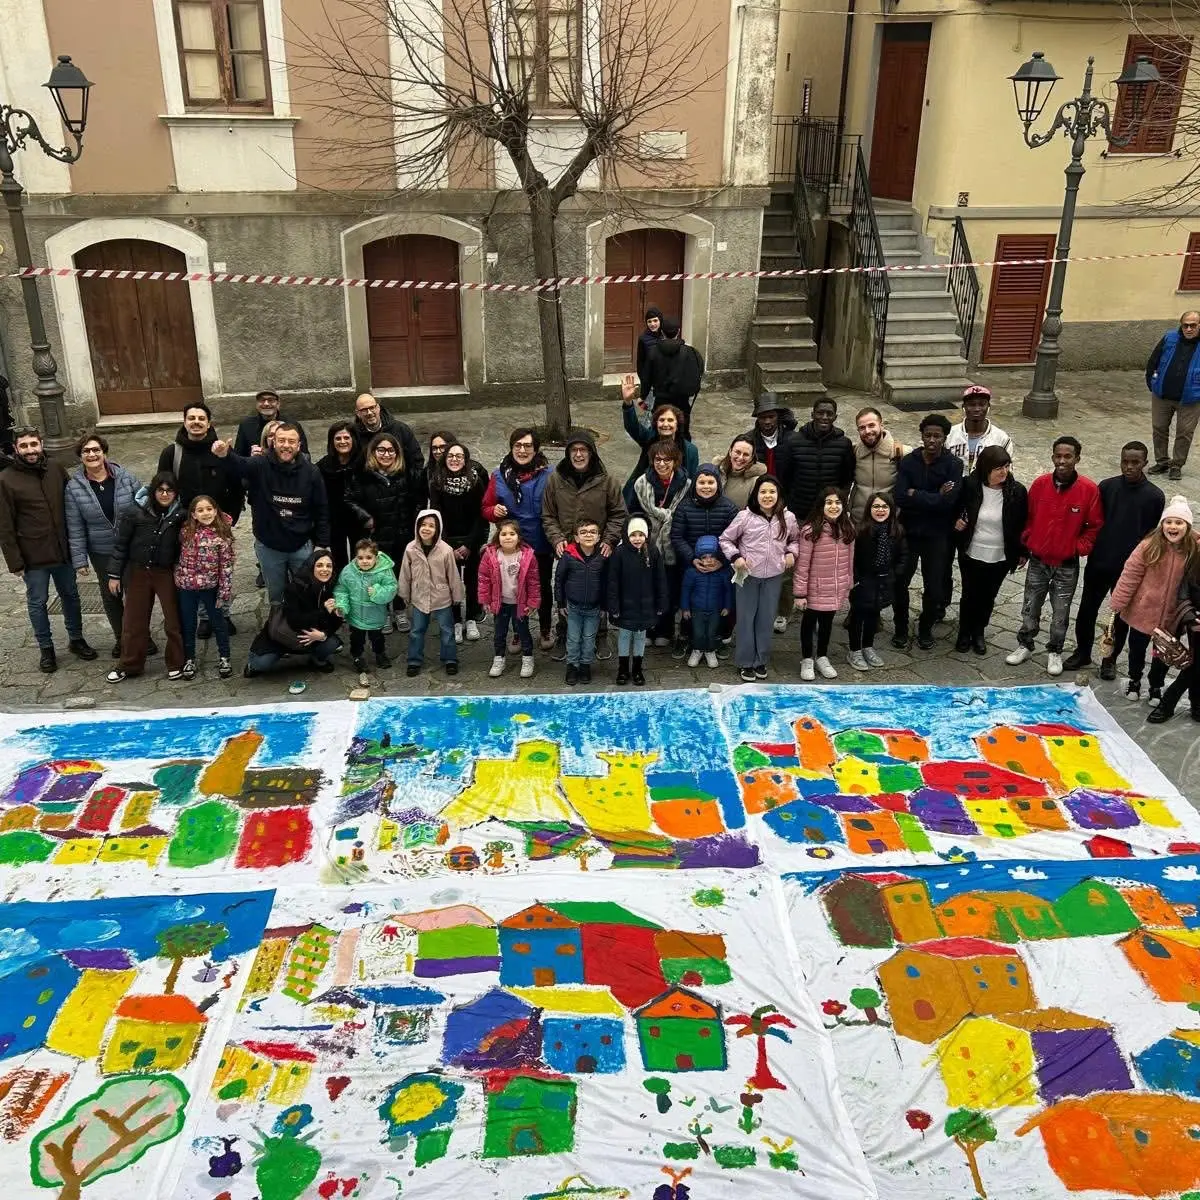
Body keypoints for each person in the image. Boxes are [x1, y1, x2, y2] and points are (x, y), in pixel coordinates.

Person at [1063, 441, 1166, 677]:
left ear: (1145, 464)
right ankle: (1083, 651)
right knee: (1087, 610)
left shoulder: (1154, 496)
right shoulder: (1107, 487)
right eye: (1125, 462)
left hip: (1129, 569)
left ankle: (1110, 659)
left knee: (1120, 617)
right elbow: (1094, 522)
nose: (1128, 467)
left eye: (1135, 463)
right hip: (1100, 561)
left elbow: (1150, 535)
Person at [0, 426, 97, 672]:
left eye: (34, 444)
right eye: (24, 446)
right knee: (37, 602)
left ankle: (76, 639)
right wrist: (15, 562)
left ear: (41, 444)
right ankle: (46, 648)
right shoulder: (6, 479)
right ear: (16, 449)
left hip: (62, 551)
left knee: (71, 596)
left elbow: (72, 504)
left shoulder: (55, 468)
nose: (30, 450)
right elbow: (5, 525)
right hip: (33, 557)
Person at [1006, 436, 1103, 676]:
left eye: (1067, 456)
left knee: (1061, 612)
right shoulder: (1039, 485)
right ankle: (1025, 644)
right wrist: (1029, 539)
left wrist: (1077, 548)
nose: (1062, 461)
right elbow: (1028, 517)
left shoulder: (1089, 490)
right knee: (1030, 606)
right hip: (1038, 560)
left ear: (1077, 459)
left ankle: (1055, 650)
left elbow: (1094, 527)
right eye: (1058, 456)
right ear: (1052, 457)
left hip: (1066, 565)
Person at [213, 423, 331, 605]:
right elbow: (240, 466)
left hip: (301, 545)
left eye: (291, 441)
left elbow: (321, 508)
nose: (286, 445)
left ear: (299, 445)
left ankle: (303, 630)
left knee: (306, 593)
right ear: (273, 443)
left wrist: (322, 543)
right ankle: (277, 629)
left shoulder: (311, 472)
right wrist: (224, 455)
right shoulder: (260, 464)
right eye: (281, 440)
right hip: (269, 547)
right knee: (276, 597)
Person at [1110, 496, 1198, 700]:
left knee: (1162, 656)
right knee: (1137, 649)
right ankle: (1134, 680)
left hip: (1171, 617)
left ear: (1187, 526)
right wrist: (1118, 602)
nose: (1173, 526)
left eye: (1179, 522)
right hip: (1142, 611)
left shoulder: (1193, 550)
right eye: (1169, 522)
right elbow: (1130, 575)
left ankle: (1155, 686)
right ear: (1162, 525)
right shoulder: (1148, 546)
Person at [65, 432, 141, 658]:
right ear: (81, 457)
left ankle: (140, 636)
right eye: (86, 451)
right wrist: (80, 561)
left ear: (104, 453)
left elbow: (144, 508)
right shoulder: (74, 488)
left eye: (96, 450)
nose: (92, 454)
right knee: (111, 596)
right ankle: (122, 639)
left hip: (130, 549)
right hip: (102, 552)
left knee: (136, 595)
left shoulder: (125, 477)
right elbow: (75, 526)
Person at [105, 472, 186, 683]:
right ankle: (129, 664)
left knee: (173, 620)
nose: (165, 494)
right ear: (153, 491)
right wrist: (115, 575)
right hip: (138, 571)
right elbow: (121, 545)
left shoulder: (180, 515)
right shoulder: (134, 512)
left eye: (170, 490)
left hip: (166, 572)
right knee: (133, 621)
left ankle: (176, 662)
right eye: (161, 490)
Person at [720, 475, 801, 683]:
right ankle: (745, 662)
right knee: (746, 619)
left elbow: (795, 539)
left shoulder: (788, 517)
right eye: (763, 492)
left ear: (778, 494)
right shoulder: (744, 517)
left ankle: (761, 660)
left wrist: (791, 552)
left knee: (765, 619)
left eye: (772, 492)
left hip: (774, 575)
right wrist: (736, 557)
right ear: (756, 495)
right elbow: (726, 539)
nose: (767, 496)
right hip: (748, 576)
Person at [893, 414, 964, 650]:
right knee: (900, 581)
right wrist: (935, 496)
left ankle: (925, 628)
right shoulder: (909, 461)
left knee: (934, 587)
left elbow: (949, 502)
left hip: (938, 534)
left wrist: (917, 494)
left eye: (937, 436)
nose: (932, 440)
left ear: (944, 438)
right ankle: (901, 627)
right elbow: (900, 495)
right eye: (928, 435)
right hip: (909, 531)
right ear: (921, 436)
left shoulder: (953, 465)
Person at [482, 428, 555, 648]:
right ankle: (518, 631)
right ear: (512, 447)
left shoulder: (549, 474)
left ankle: (544, 628)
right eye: (518, 446)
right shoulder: (499, 475)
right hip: (512, 544)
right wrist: (493, 511)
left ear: (536, 449)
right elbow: (486, 506)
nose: (522, 450)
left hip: (541, 541)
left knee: (542, 585)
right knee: (513, 588)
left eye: (527, 446)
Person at [953, 445, 1029, 656]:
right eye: (998, 468)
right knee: (969, 594)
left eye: (1006, 466)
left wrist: (1023, 551)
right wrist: (957, 521)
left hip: (1001, 554)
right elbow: (957, 507)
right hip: (972, 550)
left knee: (988, 595)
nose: (1003, 472)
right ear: (986, 468)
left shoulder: (1017, 491)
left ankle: (979, 632)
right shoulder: (970, 485)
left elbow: (1022, 523)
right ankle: (964, 632)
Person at [344, 431, 418, 628]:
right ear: (373, 452)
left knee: (399, 573)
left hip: (401, 533)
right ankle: (382, 611)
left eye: (391, 450)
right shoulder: (363, 475)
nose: (386, 454)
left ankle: (400, 610)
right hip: (376, 535)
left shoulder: (405, 474)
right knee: (378, 574)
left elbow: (414, 501)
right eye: (381, 450)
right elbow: (349, 499)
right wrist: (365, 517)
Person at [244, 550, 344, 676]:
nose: (325, 569)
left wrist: (323, 635)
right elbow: (296, 621)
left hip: (312, 636)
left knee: (332, 644)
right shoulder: (294, 588)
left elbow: (337, 620)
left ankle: (316, 659)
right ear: (311, 566)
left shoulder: (334, 589)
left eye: (329, 566)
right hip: (284, 635)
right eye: (319, 565)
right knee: (261, 664)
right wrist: (323, 611)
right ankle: (253, 664)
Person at [427, 441, 488, 642]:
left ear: (466, 459)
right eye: (450, 456)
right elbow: (436, 514)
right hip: (447, 540)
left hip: (471, 538)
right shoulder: (436, 481)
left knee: (471, 580)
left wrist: (469, 544)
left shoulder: (475, 481)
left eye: (459, 456)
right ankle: (455, 621)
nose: (454, 459)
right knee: (450, 582)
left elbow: (481, 515)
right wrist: (446, 545)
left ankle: (471, 617)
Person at [632, 439, 690, 650]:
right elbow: (633, 511)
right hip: (646, 543)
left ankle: (665, 629)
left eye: (667, 460)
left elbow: (686, 514)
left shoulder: (687, 485)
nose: (662, 464)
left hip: (672, 545)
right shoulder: (641, 484)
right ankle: (647, 629)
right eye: (658, 459)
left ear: (675, 461)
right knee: (646, 589)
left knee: (668, 589)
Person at [794, 487, 856, 681]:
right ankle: (806, 659)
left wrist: (848, 584)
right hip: (814, 588)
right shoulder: (811, 530)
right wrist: (800, 593)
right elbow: (802, 564)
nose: (833, 506)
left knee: (827, 624)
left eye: (837, 503)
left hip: (835, 587)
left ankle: (822, 656)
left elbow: (850, 561)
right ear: (821, 506)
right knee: (809, 623)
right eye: (829, 503)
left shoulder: (848, 529)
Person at [174, 495, 235, 680]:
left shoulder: (223, 535)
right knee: (188, 624)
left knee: (219, 622)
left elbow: (226, 564)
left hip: (211, 586)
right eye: (200, 510)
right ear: (193, 514)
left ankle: (224, 657)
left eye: (209, 509)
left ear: (215, 510)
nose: (205, 513)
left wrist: (224, 589)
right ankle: (189, 658)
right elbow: (177, 556)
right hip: (187, 586)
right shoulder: (185, 532)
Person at [398, 509, 462, 677]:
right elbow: (405, 572)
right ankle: (414, 660)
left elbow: (453, 575)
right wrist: (404, 593)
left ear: (438, 528)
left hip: (442, 598)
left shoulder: (446, 550)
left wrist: (457, 595)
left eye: (431, 526)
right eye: (423, 525)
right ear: (417, 526)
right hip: (419, 597)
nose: (426, 529)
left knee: (447, 630)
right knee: (416, 630)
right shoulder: (410, 549)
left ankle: (450, 659)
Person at [847, 492, 906, 671]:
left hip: (884, 580)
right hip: (863, 580)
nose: (880, 510)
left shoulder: (897, 530)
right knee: (858, 616)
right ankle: (854, 650)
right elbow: (852, 558)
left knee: (874, 615)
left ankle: (868, 646)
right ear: (869, 509)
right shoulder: (860, 530)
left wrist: (894, 574)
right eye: (876, 506)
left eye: (884, 507)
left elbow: (903, 556)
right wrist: (856, 579)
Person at [608, 515, 667, 685]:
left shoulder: (653, 552)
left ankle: (638, 669)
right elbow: (613, 581)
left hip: (646, 605)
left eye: (641, 534)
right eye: (633, 535)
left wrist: (661, 602)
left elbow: (660, 579)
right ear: (627, 535)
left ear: (646, 535)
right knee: (625, 635)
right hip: (625, 605)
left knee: (641, 636)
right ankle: (623, 668)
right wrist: (614, 605)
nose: (637, 538)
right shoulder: (619, 553)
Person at [620, 375, 697, 506]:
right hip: (643, 497)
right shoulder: (648, 438)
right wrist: (628, 402)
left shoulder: (690, 450)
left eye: (670, 420)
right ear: (656, 424)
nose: (665, 424)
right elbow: (632, 426)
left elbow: (690, 480)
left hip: (674, 501)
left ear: (677, 425)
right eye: (661, 420)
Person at [478, 517, 539, 679]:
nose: (508, 537)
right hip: (501, 602)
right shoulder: (490, 555)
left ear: (519, 537)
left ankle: (527, 658)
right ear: (498, 536)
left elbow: (534, 582)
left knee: (523, 631)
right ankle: (499, 658)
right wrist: (485, 600)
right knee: (499, 633)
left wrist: (533, 602)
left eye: (512, 533)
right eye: (504, 534)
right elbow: (483, 579)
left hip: (520, 603)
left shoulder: (527, 556)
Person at [780, 397, 855, 526]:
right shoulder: (793, 441)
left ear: (835, 417)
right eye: (820, 413)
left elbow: (847, 477)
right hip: (800, 512)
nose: (824, 417)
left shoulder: (844, 444)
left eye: (829, 414)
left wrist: (838, 500)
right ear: (812, 414)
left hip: (830, 513)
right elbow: (785, 476)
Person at [1146, 310, 1200, 481]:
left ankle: (1176, 465)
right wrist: (1152, 383)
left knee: (1184, 432)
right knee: (1159, 428)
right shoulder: (1170, 338)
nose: (1189, 329)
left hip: (1191, 398)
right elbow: (1154, 360)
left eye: (1193, 325)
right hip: (1162, 395)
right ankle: (1162, 461)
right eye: (1186, 325)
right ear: (1181, 325)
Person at [554, 518, 608, 685]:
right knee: (573, 638)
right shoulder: (568, 556)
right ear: (576, 537)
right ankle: (572, 665)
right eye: (583, 532)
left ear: (598, 537)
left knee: (589, 638)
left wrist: (605, 606)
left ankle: (585, 665)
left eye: (592, 532)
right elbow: (559, 580)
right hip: (573, 607)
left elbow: (607, 582)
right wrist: (560, 603)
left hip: (594, 608)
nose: (588, 535)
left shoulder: (603, 557)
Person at [1147, 555, 1200, 724]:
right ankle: (1178, 703)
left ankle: (1177, 703)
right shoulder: (1196, 557)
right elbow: (1183, 592)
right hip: (1196, 621)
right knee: (1197, 662)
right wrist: (1191, 617)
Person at [334, 537, 397, 672]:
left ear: (376, 557)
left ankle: (380, 654)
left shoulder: (384, 570)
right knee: (356, 638)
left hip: (376, 614)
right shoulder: (348, 571)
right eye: (360, 558)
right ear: (356, 557)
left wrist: (377, 592)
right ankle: (357, 656)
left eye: (369, 557)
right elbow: (341, 589)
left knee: (377, 638)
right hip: (356, 615)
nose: (364, 561)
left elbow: (391, 588)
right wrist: (342, 605)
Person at [317, 420, 365, 576]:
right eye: (338, 438)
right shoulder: (323, 466)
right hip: (335, 521)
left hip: (359, 520)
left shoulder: (365, 463)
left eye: (346, 438)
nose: (342, 442)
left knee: (361, 559)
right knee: (337, 561)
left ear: (354, 440)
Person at [681, 534, 732, 670]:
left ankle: (710, 651)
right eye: (704, 557)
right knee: (698, 632)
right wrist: (685, 608)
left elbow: (728, 590)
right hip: (697, 609)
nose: (708, 560)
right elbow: (685, 590)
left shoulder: (722, 573)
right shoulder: (691, 573)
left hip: (715, 609)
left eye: (712, 556)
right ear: (698, 558)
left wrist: (727, 606)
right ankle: (697, 650)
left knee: (712, 632)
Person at [850, 407, 907, 523]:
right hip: (859, 522)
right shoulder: (854, 452)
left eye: (871, 425)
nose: (867, 431)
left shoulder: (901, 452)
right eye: (862, 428)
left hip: (889, 522)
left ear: (881, 425)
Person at [642, 318, 704, 422]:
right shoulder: (691, 352)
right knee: (682, 431)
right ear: (679, 331)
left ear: (661, 332)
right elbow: (698, 374)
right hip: (682, 401)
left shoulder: (653, 352)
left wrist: (642, 395)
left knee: (661, 430)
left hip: (660, 400)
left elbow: (646, 377)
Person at [351, 393, 425, 477]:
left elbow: (416, 460)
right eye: (364, 410)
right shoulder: (353, 434)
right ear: (358, 413)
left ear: (378, 408)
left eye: (372, 408)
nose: (369, 413)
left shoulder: (401, 429)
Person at [234, 389, 308, 458]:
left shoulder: (292, 425)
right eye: (262, 400)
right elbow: (238, 457)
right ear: (257, 404)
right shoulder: (246, 425)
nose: (266, 404)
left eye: (271, 400)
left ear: (278, 404)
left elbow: (306, 456)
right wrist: (251, 458)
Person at [745, 393, 795, 482]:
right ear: (758, 419)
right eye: (763, 418)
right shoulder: (748, 440)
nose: (767, 421)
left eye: (771, 417)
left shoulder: (792, 439)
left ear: (778, 417)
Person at [719, 436, 767, 509]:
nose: (741, 457)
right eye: (737, 452)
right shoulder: (716, 472)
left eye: (746, 454)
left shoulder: (755, 482)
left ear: (751, 458)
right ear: (730, 452)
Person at [637, 306, 664, 403]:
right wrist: (644, 381)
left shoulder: (666, 335)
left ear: (660, 320)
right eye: (649, 321)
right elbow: (640, 362)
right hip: (651, 383)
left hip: (665, 382)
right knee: (650, 411)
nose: (652, 324)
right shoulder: (643, 339)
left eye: (655, 320)